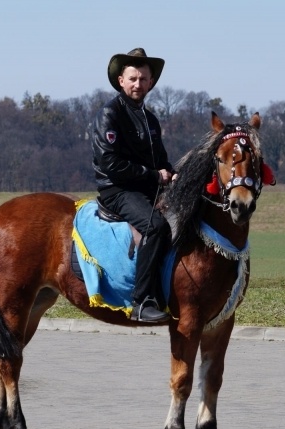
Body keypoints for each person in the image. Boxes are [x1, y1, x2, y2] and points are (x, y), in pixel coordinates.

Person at [91, 47, 177, 323]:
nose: (138, 84)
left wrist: (173, 175)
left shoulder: (151, 120)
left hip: (146, 189)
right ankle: (142, 301)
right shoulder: (110, 114)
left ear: (151, 82)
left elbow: (162, 161)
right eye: (133, 79)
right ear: (121, 81)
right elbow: (109, 164)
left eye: (143, 79)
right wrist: (154, 177)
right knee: (156, 226)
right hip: (117, 190)